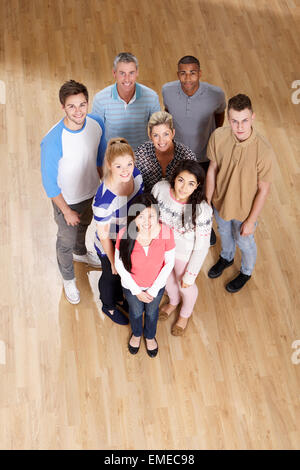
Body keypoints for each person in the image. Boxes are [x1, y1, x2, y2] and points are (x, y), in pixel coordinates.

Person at [41, 80, 106, 305]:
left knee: (85, 226)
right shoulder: (52, 141)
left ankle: (81, 252)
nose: (78, 111)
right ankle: (68, 278)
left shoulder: (96, 124)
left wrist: (103, 186)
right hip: (66, 201)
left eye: (82, 105)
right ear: (63, 107)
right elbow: (49, 184)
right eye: (71, 106)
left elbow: (99, 157)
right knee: (65, 242)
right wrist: (66, 211)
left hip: (90, 193)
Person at [206, 94, 274, 293]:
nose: (240, 127)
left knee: (244, 241)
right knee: (224, 233)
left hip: (245, 210)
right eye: (235, 121)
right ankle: (226, 258)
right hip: (221, 203)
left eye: (244, 120)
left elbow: (264, 189)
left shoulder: (264, 150)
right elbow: (212, 168)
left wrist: (251, 221)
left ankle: (246, 271)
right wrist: (208, 201)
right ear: (228, 119)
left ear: (252, 117)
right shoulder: (218, 136)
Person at [162, 55, 226, 245]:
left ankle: (205, 225)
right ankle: (182, 223)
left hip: (205, 155)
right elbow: (167, 112)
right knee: (181, 191)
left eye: (192, 73)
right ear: (178, 74)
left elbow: (219, 116)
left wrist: (212, 139)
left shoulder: (216, 94)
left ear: (200, 73)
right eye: (183, 73)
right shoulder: (167, 90)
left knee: (204, 194)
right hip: (179, 154)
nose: (188, 78)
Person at [152, 160, 212, 335]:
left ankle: (185, 314)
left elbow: (202, 247)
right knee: (165, 280)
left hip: (183, 253)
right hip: (161, 246)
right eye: (181, 180)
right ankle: (173, 301)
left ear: (198, 185)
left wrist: (191, 274)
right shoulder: (160, 189)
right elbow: (151, 215)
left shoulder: (201, 210)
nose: (184, 187)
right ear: (174, 178)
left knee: (185, 284)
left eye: (191, 183)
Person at [115, 194, 175, 357]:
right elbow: (119, 264)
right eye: (141, 216)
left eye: (151, 216)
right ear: (134, 217)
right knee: (135, 312)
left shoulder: (166, 233)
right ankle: (136, 333)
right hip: (132, 287)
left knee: (151, 312)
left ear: (158, 215)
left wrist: (154, 290)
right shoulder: (124, 234)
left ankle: (149, 336)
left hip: (155, 287)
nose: (146, 221)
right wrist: (136, 291)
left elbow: (169, 263)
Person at [93, 138, 144, 325]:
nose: (126, 170)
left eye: (129, 164)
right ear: (109, 165)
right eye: (119, 166)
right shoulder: (104, 200)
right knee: (111, 275)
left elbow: (139, 205)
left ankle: (119, 297)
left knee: (125, 274)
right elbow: (103, 234)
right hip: (109, 242)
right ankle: (108, 305)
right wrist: (113, 260)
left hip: (128, 235)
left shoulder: (137, 176)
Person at [92, 52, 160, 150]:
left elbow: (157, 131)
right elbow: (96, 135)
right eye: (122, 73)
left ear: (137, 73)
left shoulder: (151, 97)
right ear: (114, 73)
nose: (127, 79)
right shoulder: (100, 99)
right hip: (113, 156)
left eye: (131, 73)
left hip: (142, 155)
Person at [135, 111, 197, 193]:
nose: (161, 141)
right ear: (150, 136)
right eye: (156, 135)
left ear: (173, 133)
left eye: (166, 134)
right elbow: (133, 182)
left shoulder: (186, 156)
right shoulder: (142, 152)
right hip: (147, 201)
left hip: (179, 202)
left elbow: (192, 189)